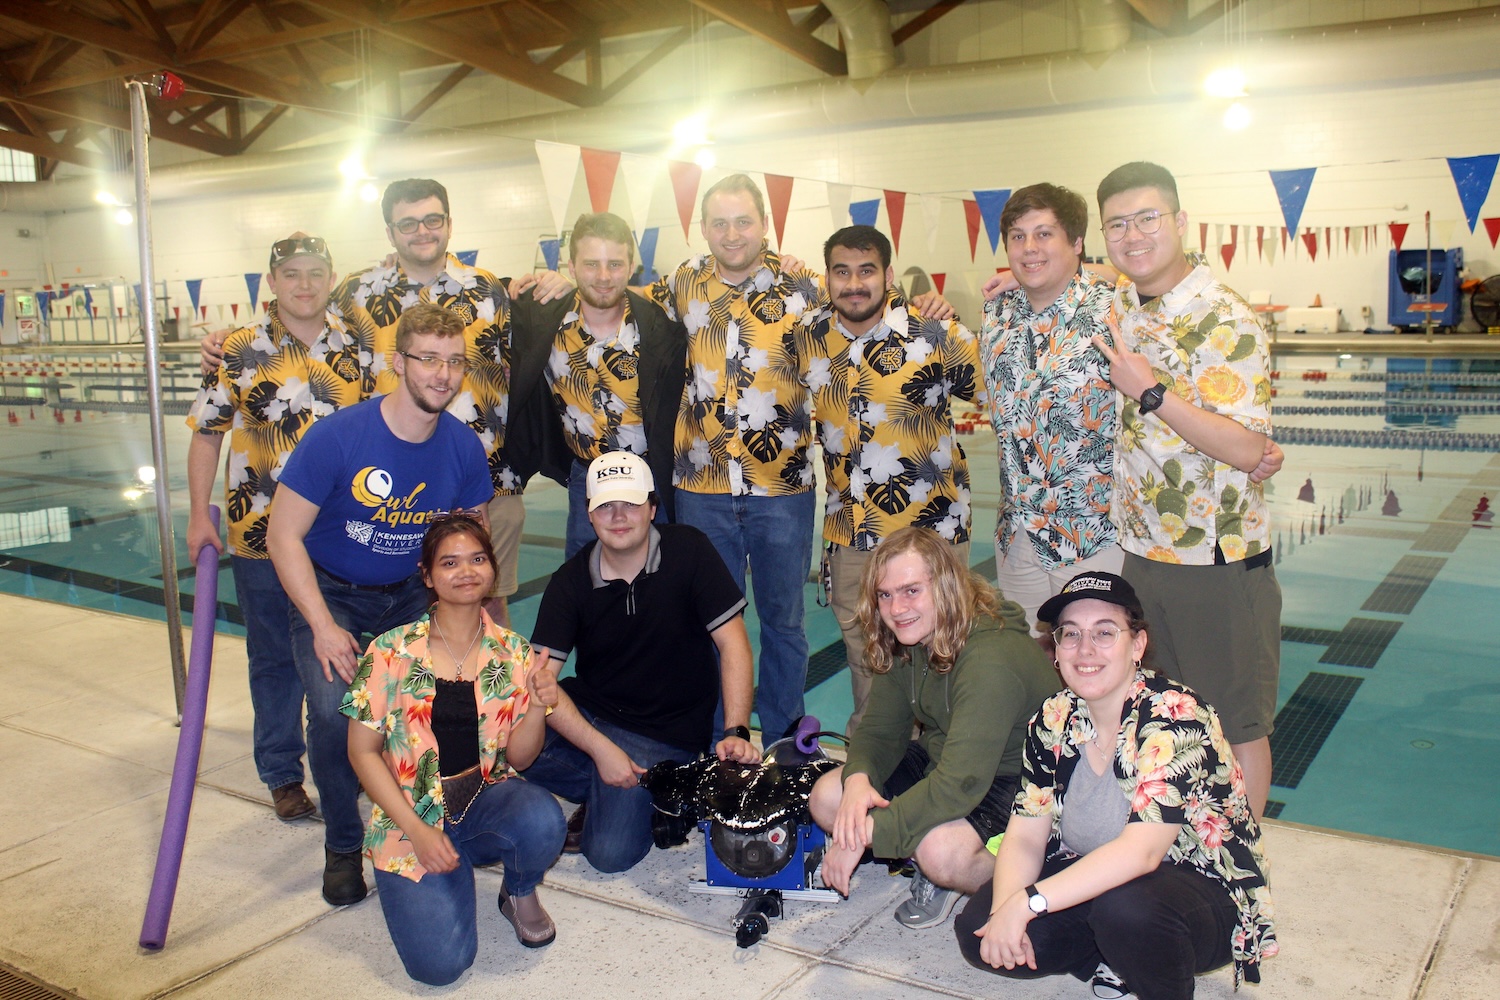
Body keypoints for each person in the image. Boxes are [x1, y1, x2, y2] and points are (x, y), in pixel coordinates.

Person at [202, 178, 565, 627]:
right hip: (386, 492)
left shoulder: (490, 290)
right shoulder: (358, 292)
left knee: (486, 605)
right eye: (407, 224)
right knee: (399, 616)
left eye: (432, 220)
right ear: (391, 233)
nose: (422, 231)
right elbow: (302, 316)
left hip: (484, 481)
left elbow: (542, 343)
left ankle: (491, 697)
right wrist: (225, 340)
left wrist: (557, 282)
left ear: (449, 224)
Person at [266, 302, 495, 906]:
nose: (442, 375)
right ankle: (343, 843)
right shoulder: (339, 437)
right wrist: (321, 625)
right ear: (398, 363)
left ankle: (423, 819)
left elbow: (470, 551)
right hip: (334, 592)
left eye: (454, 362)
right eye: (427, 360)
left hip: (412, 596)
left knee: (430, 705)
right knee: (338, 711)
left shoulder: (464, 448)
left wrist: (482, 631)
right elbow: (281, 535)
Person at [955, 571, 1277, 1000]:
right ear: (1056, 648)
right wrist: (1004, 910)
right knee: (978, 929)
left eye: (1105, 633)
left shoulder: (1175, 717)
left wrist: (1029, 903)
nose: (1085, 649)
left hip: (1197, 894)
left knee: (1126, 911)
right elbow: (1027, 835)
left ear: (1137, 645)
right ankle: (1111, 963)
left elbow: (1141, 854)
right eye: (1070, 634)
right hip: (1102, 878)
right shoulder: (1054, 717)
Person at [1089, 161, 1281, 820]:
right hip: (1144, 556)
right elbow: (1093, 276)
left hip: (1215, 562)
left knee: (1237, 725)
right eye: (1118, 223)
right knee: (1169, 718)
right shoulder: (1124, 301)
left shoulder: (1226, 318)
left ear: (1181, 223)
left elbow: (1250, 449)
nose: (1134, 235)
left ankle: (1242, 874)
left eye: (1148, 218)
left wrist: (1150, 392)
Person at [186, 232, 373, 821]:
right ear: (272, 282)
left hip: (339, 535)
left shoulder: (357, 344)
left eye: (315, 272)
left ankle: (350, 765)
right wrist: (197, 514)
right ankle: (281, 772)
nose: (304, 284)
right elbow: (207, 431)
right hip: (259, 532)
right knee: (271, 658)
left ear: (331, 277)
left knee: (344, 659)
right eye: (291, 274)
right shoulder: (239, 348)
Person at [343, 516, 566, 985]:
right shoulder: (389, 651)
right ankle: (445, 868)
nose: (466, 571)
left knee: (543, 817)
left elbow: (521, 760)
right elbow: (362, 752)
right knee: (440, 968)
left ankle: (518, 891)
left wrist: (538, 705)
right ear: (427, 575)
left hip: (485, 797)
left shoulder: (515, 653)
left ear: (492, 568)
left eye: (477, 559)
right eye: (449, 563)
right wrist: (419, 833)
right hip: (412, 813)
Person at [643, 173, 823, 743]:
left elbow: (867, 307)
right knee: (713, 621)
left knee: (784, 622)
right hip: (702, 486)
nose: (732, 234)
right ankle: (726, 735)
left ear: (766, 224)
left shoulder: (804, 286)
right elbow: (611, 300)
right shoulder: (682, 283)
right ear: (702, 229)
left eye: (744, 221)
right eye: (719, 223)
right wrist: (552, 280)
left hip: (782, 485)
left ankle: (784, 736)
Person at [519, 451, 760, 873]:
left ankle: (650, 788)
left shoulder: (690, 550)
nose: (618, 516)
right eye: (605, 506)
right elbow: (542, 683)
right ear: (590, 516)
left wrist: (736, 729)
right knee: (507, 740)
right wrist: (601, 749)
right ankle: (631, 790)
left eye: (630, 504)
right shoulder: (571, 580)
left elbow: (734, 644)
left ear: (651, 509)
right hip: (593, 717)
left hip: (664, 737)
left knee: (609, 855)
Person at [808, 527, 1056, 930]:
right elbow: (880, 730)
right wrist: (856, 782)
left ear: (945, 586)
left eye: (911, 591)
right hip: (948, 758)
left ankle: (1043, 886)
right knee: (828, 798)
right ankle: (909, 843)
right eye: (885, 595)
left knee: (940, 852)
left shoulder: (990, 660)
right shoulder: (911, 636)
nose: (896, 608)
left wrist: (861, 835)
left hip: (1016, 778)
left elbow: (959, 784)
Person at [795, 225, 985, 735]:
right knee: (868, 665)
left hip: (932, 533)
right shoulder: (808, 337)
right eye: (842, 272)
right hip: (852, 535)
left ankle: (950, 778)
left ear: (887, 274)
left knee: (945, 659)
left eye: (866, 271)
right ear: (826, 277)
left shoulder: (936, 333)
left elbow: (998, 392)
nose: (854, 284)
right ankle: (873, 778)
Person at [981, 185, 1123, 633]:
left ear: (1077, 243)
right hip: (1018, 534)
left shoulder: (1115, 310)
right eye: (1018, 236)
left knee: (1096, 667)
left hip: (1092, 535)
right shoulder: (997, 312)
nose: (1029, 248)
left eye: (1044, 234)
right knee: (1031, 667)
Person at [529, 211, 687, 556]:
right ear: (570, 267)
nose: (603, 277)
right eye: (591, 264)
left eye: (614, 264)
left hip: (652, 480)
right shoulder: (544, 319)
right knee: (587, 589)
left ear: (632, 267)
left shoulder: (661, 322)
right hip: (585, 478)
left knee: (661, 591)